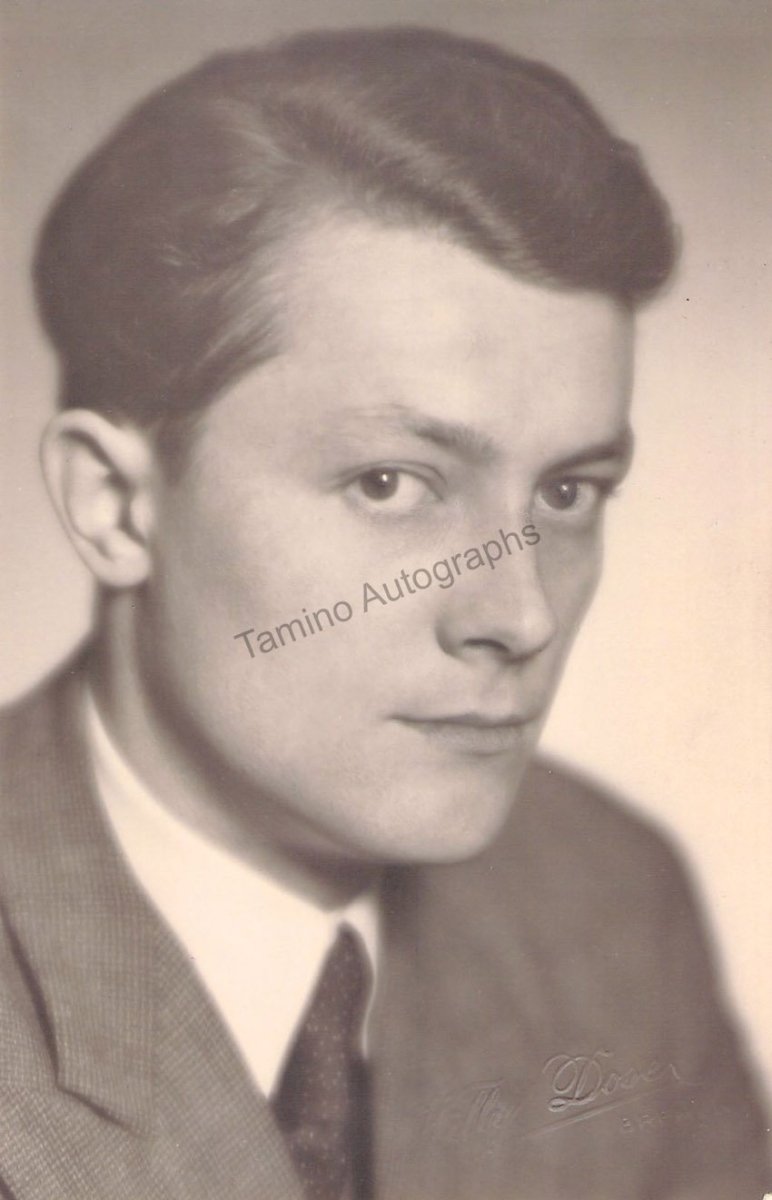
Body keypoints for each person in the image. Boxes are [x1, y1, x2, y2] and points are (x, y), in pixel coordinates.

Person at [0, 25, 767, 1200]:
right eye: (390, 484)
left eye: (566, 493)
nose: (520, 614)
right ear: (115, 504)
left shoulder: (611, 900)